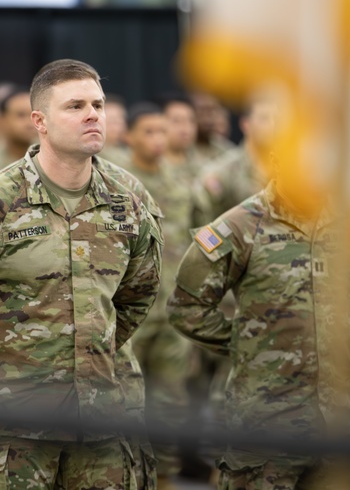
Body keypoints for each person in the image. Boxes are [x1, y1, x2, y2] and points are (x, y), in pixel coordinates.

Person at [0, 59, 162, 489]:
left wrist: (88, 349)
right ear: (39, 121)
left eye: (98, 104)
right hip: (11, 422)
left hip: (100, 417)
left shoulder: (128, 198)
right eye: (75, 106)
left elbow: (138, 291)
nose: (92, 115)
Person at [168, 180, 350, 490]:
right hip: (265, 425)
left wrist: (340, 342)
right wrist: (251, 344)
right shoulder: (240, 224)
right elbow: (187, 307)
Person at [120, 102, 198, 484]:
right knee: (125, 403)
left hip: (171, 311)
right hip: (129, 313)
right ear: (129, 136)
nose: (157, 139)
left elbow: (196, 238)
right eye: (148, 131)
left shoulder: (182, 181)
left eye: (161, 131)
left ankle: (166, 477)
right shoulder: (117, 182)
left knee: (170, 402)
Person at [194, 97, 275, 225]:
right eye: (264, 119)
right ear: (246, 124)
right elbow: (204, 223)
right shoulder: (224, 170)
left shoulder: (287, 169)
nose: (272, 125)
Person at [160, 93, 202, 181]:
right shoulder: (151, 165)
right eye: (177, 121)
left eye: (191, 121)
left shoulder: (204, 163)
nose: (186, 128)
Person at [191, 91, 235, 164]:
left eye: (212, 110)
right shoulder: (181, 149)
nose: (207, 117)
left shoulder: (226, 151)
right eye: (202, 110)